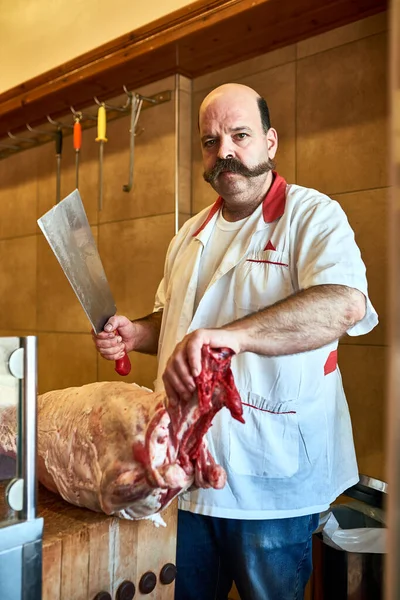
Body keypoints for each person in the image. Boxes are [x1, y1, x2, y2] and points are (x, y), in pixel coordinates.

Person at [93, 83, 378, 600]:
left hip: (272, 486)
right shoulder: (188, 234)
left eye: (239, 135)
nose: (223, 150)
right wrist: (137, 333)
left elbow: (344, 304)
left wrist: (231, 337)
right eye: (209, 141)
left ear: (269, 142)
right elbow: (179, 321)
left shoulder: (312, 215)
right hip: (186, 478)